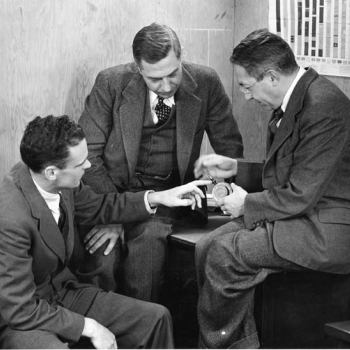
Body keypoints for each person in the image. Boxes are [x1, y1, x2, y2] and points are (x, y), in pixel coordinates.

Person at [193, 28, 350, 349]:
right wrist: (236, 168)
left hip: (325, 229)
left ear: (272, 77)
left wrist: (245, 205)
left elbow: (301, 193)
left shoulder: (324, 106)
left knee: (225, 255)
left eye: (248, 87)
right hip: (300, 215)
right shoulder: (296, 99)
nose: (247, 97)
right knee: (205, 247)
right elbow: (289, 173)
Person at [0, 114, 210, 349]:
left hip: (61, 294)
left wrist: (159, 197)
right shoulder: (9, 218)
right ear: (51, 172)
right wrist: (88, 326)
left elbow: (99, 206)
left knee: (155, 318)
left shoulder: (54, 178)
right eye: (81, 164)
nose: (89, 166)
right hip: (24, 317)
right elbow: (19, 309)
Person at [78, 22, 243, 302]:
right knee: (101, 261)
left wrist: (220, 191)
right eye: (155, 79)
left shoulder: (206, 82)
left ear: (181, 57)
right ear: (138, 68)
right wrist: (116, 213)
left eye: (173, 74)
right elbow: (88, 157)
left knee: (147, 254)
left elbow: (230, 149)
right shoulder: (110, 82)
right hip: (110, 195)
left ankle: (145, 337)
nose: (166, 86)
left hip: (168, 198)